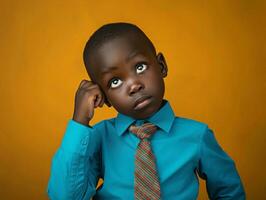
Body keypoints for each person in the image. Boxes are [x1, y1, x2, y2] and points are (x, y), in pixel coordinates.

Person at [47, 22, 245, 200]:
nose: (134, 85)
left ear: (161, 66)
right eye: (115, 81)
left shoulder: (197, 135)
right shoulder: (99, 137)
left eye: (140, 67)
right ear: (104, 97)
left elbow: (229, 191)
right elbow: (65, 196)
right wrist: (79, 122)